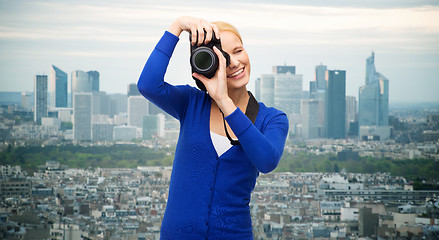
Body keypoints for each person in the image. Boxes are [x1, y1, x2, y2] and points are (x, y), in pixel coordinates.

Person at [137, 16, 289, 240]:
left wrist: (224, 101)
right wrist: (177, 26)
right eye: (223, 58)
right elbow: (148, 85)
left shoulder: (272, 119)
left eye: (238, 51)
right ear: (209, 64)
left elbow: (266, 161)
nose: (235, 63)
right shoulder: (191, 103)